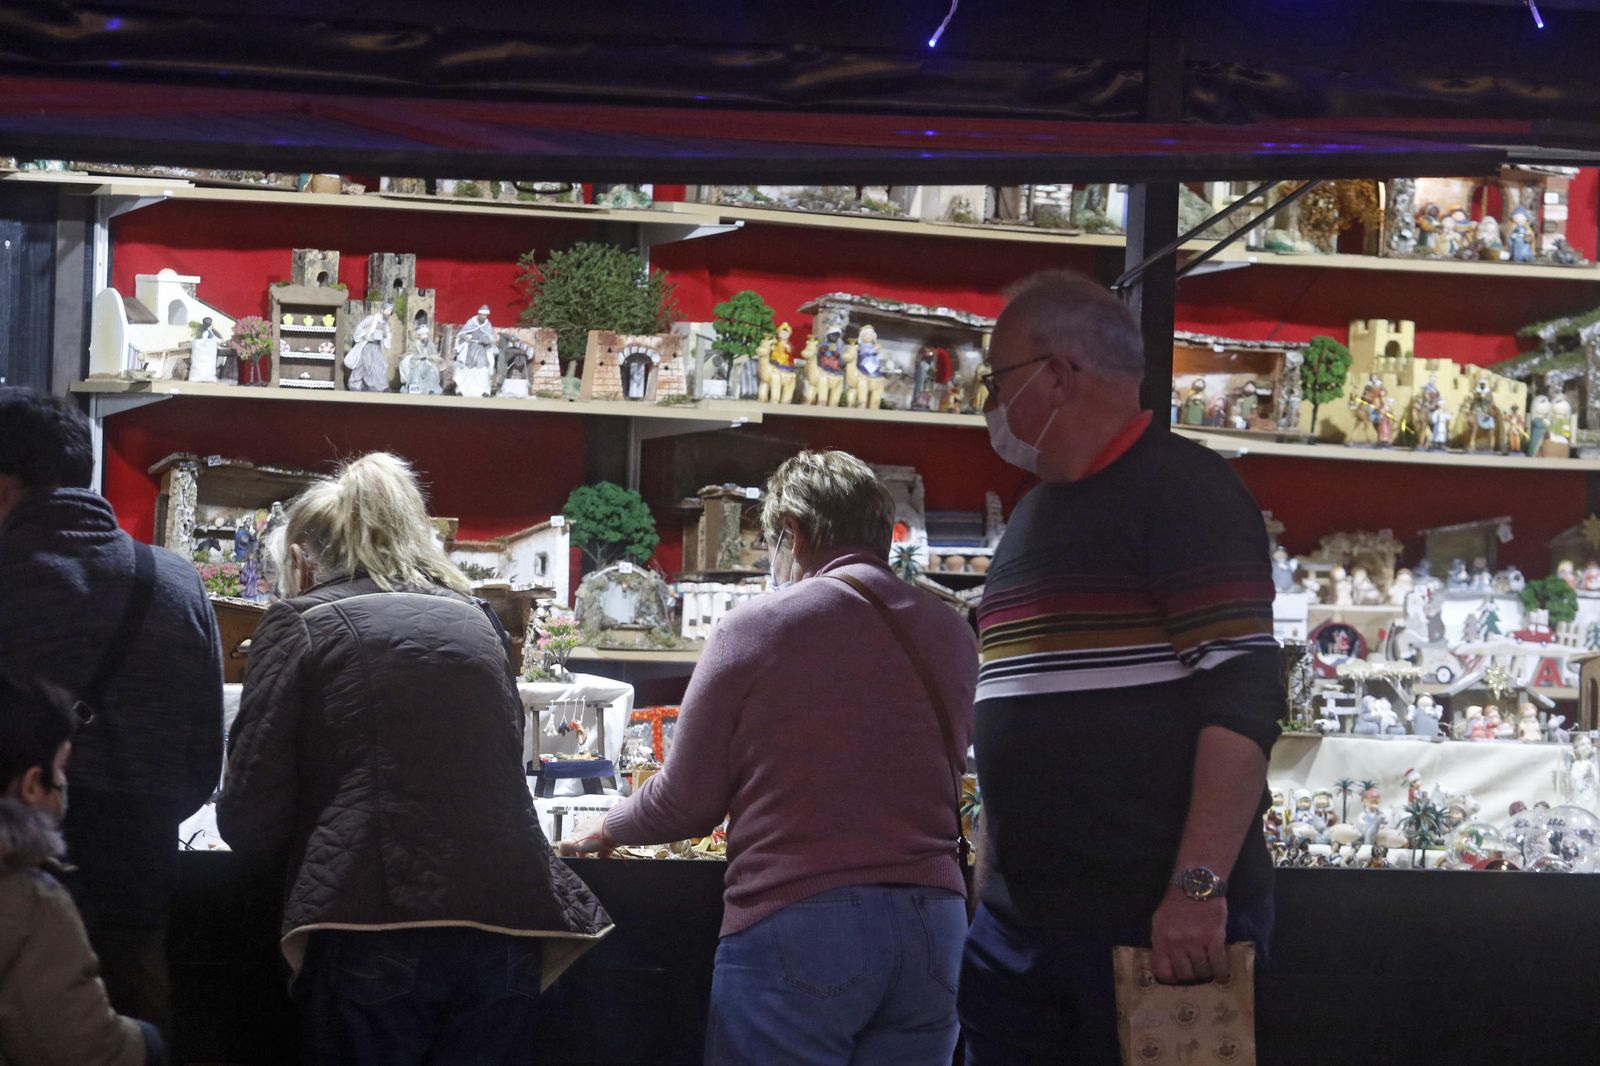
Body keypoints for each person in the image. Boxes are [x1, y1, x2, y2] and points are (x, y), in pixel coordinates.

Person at [562, 449, 978, 1065]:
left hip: (803, 921)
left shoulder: (757, 627)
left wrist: (606, 825)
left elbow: (686, 802)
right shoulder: (952, 632)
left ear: (794, 533)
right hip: (935, 928)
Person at [961, 271, 1283, 1063]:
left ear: (1057, 376)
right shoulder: (1033, 514)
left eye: (996, 381)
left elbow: (1242, 704)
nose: (988, 404)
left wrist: (1197, 889)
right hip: (1017, 932)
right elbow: (1013, 706)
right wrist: (988, 884)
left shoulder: (1186, 492)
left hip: (1149, 931)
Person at [217, 452, 610, 1065]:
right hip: (510, 919)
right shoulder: (479, 620)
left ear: (300, 559)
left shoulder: (300, 623)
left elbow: (249, 813)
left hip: (370, 918)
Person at [0, 387, 223, 1036]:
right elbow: (202, 762)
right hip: (136, 881)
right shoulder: (176, 584)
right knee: (128, 1037)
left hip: (8, 889)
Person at [0, 670, 164, 1066]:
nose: (64, 781)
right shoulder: (31, 900)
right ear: (33, 785)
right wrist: (149, 1043)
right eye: (61, 767)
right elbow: (83, 1050)